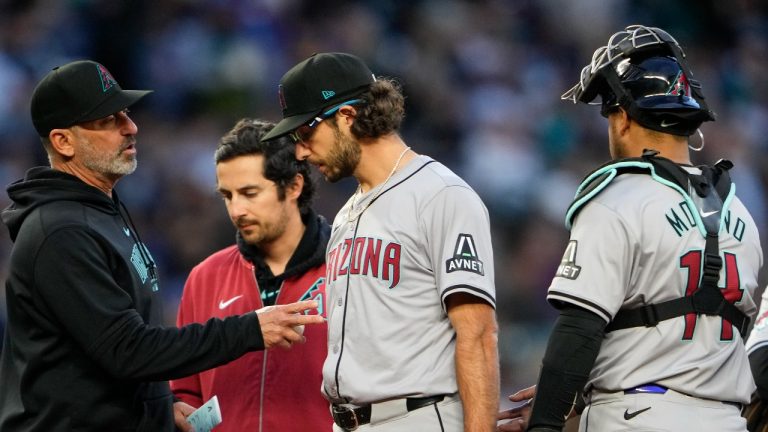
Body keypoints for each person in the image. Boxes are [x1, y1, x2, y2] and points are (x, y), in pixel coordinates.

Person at [0, 60, 324, 432]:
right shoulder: (59, 230)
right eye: (109, 121)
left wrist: (160, 404)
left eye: (126, 113)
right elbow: (128, 350)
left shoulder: (101, 210)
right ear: (63, 141)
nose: (131, 127)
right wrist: (250, 329)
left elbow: (110, 351)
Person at [499, 25, 763, 432]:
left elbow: (579, 328)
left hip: (637, 418)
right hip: (726, 419)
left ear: (622, 119)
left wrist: (546, 421)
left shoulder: (618, 197)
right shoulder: (741, 214)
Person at [261, 52, 500, 432]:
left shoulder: (440, 194)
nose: (301, 151)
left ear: (347, 116)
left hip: (417, 416)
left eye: (306, 133)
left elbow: (478, 335)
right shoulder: (346, 213)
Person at [170, 118, 333, 431]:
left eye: (249, 193)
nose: (236, 211)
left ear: (294, 186)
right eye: (227, 196)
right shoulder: (205, 277)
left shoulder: (347, 269)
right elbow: (185, 386)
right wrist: (177, 406)